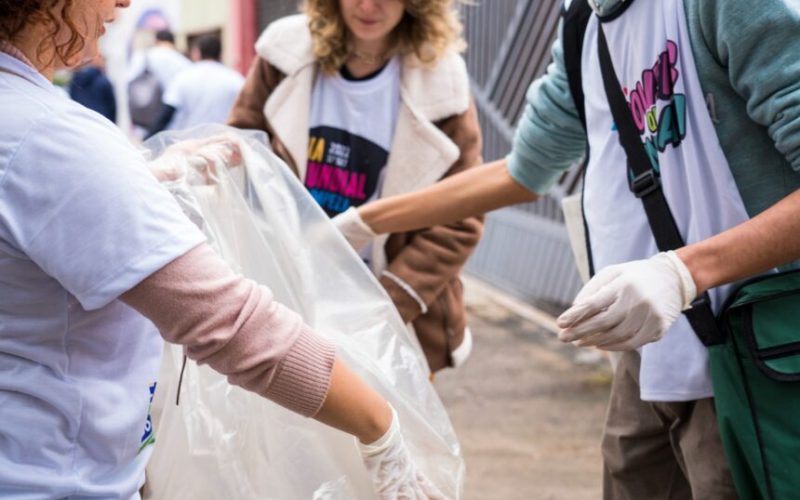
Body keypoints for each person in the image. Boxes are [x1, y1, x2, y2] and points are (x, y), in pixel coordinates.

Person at [335, 0, 800, 498]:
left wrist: (682, 273)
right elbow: (524, 169)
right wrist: (366, 222)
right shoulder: (586, 22)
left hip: (749, 345)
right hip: (648, 350)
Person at [0, 1, 441, 498]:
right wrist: (381, 430)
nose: (124, 1)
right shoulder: (49, 137)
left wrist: (140, 184)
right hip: (49, 477)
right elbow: (230, 323)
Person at [228, 0, 483, 374]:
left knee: (388, 430)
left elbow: (462, 214)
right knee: (288, 426)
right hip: (288, 295)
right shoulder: (284, 53)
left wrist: (386, 306)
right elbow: (238, 155)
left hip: (393, 314)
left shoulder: (443, 80)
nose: (368, 6)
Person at [146, 33, 245, 137]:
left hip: (191, 145)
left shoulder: (183, 77)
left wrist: (147, 140)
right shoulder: (235, 79)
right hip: (223, 144)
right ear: (220, 53)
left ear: (196, 53)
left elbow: (166, 114)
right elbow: (245, 112)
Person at [69, 52, 117, 122]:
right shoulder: (104, 81)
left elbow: (72, 99)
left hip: (80, 121)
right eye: (103, 60)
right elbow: (112, 108)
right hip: (100, 122)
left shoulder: (76, 79)